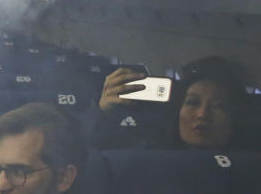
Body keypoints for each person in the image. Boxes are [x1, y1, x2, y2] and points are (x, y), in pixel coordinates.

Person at [89, 56, 254, 149]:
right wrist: (103, 115)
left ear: (234, 117)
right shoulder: (148, 157)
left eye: (218, 107)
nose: (202, 115)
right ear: (178, 110)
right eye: (192, 103)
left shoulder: (250, 170)